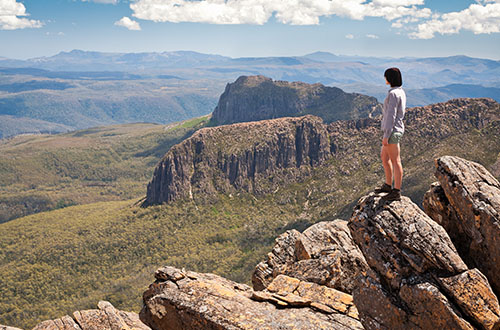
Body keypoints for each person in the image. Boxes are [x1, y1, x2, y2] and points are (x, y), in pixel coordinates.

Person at [375, 67, 406, 201]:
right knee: (384, 157)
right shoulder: (400, 92)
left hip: (392, 131)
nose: (385, 79)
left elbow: (391, 116)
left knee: (395, 161)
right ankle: (388, 185)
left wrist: (386, 135)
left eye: (386, 76)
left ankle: (396, 191)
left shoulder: (393, 94)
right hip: (394, 130)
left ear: (390, 78)